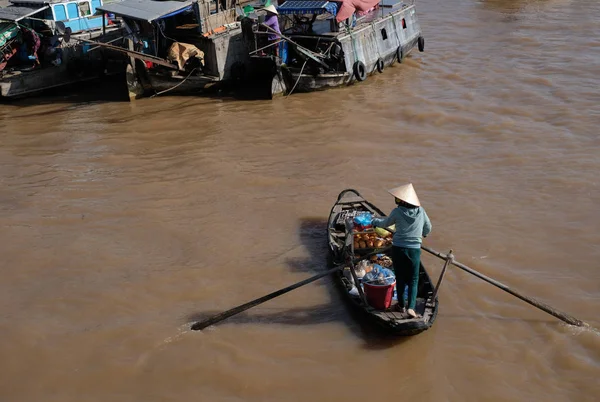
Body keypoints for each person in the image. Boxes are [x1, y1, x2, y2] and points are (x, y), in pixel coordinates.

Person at [372, 183, 432, 318]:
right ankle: (411, 307)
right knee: (414, 279)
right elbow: (428, 228)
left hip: (398, 248)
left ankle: (401, 305)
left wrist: (374, 221)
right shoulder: (421, 211)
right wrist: (422, 233)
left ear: (403, 201)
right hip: (414, 250)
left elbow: (384, 224)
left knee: (400, 277)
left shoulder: (397, 211)